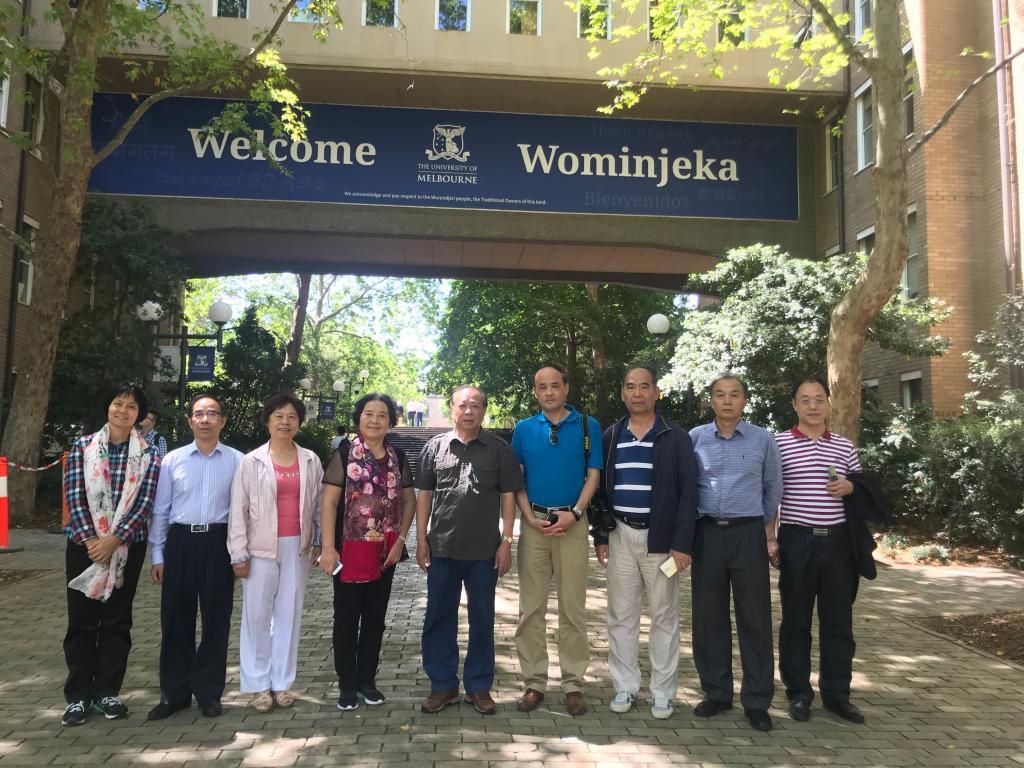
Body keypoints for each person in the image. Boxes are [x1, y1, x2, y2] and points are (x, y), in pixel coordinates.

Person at [594, 365, 699, 720]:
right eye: (630, 387)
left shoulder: (675, 437)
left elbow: (689, 493)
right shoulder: (611, 436)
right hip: (620, 536)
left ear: (656, 392)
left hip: (663, 542)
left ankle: (663, 693)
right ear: (622, 394)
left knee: (664, 617)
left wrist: (682, 544)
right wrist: (601, 536)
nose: (637, 393)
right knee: (621, 616)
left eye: (644, 386)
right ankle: (625, 686)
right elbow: (600, 489)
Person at [415, 385, 524, 715]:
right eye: (463, 405)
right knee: (438, 617)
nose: (468, 411)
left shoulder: (499, 450)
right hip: (441, 549)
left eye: (475, 405)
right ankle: (442, 685)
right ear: (452, 409)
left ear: (483, 411)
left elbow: (508, 497)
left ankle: (478, 686)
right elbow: (424, 495)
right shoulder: (435, 448)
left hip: (484, 553)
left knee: (482, 620)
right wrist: (421, 539)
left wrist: (506, 542)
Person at [60, 383, 160, 727]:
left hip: (127, 547)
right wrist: (93, 541)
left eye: (131, 407)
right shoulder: (82, 447)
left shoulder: (149, 454)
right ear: (108, 406)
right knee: (81, 620)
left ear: (139, 414)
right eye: (118, 404)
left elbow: (145, 502)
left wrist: (114, 540)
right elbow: (74, 496)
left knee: (117, 620)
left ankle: (106, 691)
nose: (123, 411)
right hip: (84, 545)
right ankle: (77, 695)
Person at [689, 373, 783, 732]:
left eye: (734, 395)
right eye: (720, 394)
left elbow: (773, 488)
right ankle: (716, 693)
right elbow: (688, 487)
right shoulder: (695, 438)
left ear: (744, 400)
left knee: (755, 620)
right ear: (710, 400)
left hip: (748, 535)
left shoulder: (763, 439)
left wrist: (763, 529)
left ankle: (757, 700)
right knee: (708, 617)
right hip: (707, 534)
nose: (727, 401)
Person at [510, 364, 602, 716]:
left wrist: (575, 513)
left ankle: (573, 683)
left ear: (566, 388)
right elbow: (516, 480)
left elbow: (593, 476)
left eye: (554, 385)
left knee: (572, 608)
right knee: (530, 609)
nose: (548, 392)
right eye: (541, 387)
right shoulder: (523, 429)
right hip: (534, 525)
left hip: (572, 524)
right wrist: (529, 517)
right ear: (536, 391)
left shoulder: (587, 426)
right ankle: (534, 682)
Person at [146, 395, 242, 721]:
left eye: (212, 414)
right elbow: (161, 510)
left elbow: (244, 512)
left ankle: (208, 693)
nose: (205, 419)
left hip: (219, 543)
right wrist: (157, 554)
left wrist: (239, 553)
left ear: (222, 421)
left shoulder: (238, 461)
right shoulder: (172, 460)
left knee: (216, 620)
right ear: (190, 421)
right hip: (180, 543)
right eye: (199, 414)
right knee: (175, 619)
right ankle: (174, 694)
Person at [776, 377, 865, 724]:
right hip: (797, 540)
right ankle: (799, 694)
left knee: (839, 623)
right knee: (796, 622)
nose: (813, 406)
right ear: (795, 405)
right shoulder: (779, 444)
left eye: (819, 400)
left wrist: (851, 486)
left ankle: (837, 695)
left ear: (828, 404)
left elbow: (863, 489)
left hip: (838, 544)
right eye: (805, 400)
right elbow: (771, 493)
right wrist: (771, 538)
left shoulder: (844, 446)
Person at [318, 393, 416, 711]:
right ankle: (347, 684)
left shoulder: (398, 457)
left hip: (385, 552)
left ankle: (367, 681)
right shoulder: (344, 454)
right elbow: (329, 502)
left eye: (382, 415)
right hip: (348, 550)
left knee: (375, 619)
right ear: (359, 417)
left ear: (390, 421)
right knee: (346, 618)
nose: (374, 420)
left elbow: (409, 500)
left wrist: (401, 540)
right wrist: (328, 547)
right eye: (368, 413)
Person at [228, 393, 323, 712]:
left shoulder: (310, 460)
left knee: (289, 615)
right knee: (256, 616)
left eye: (292, 417)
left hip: (297, 546)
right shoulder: (251, 461)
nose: (285, 422)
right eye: (279, 416)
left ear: (299, 423)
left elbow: (318, 505)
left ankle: (282, 682)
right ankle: (258, 685)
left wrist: (318, 540)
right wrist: (238, 554)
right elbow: (238, 510)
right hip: (259, 548)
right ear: (267, 421)